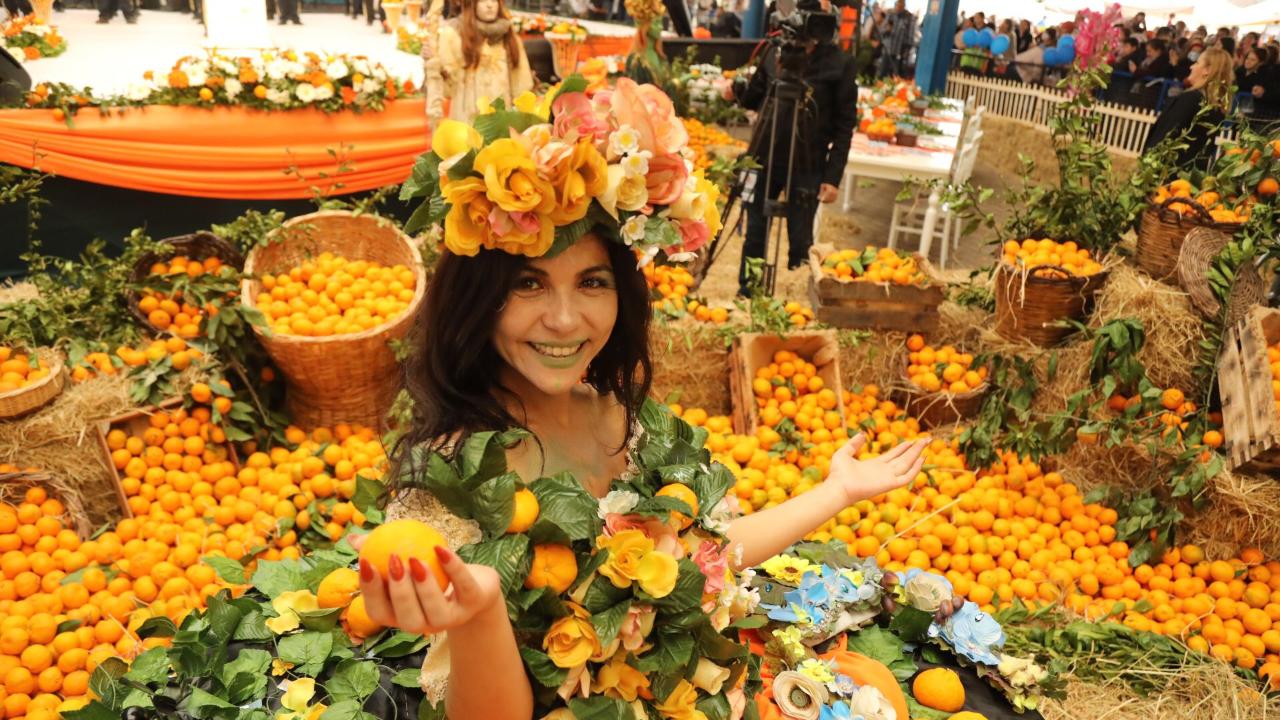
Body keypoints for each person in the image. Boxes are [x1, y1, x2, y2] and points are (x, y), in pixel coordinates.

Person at [352, 185, 928, 720]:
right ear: (477, 299)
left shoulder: (629, 422)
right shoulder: (455, 477)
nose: (563, 319)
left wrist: (838, 491)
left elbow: (712, 554)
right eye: (527, 283)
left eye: (591, 282)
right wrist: (480, 614)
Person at [734, 17, 858, 291]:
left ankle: (798, 297)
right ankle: (748, 293)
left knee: (801, 240)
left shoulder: (840, 64)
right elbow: (753, 97)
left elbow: (845, 125)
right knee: (755, 233)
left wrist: (833, 176)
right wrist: (736, 89)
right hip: (763, 158)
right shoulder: (774, 52)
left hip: (808, 163)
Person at [429, 0, 533, 125]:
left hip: (500, 120)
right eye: (483, 0)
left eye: (494, 0)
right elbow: (447, 87)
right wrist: (434, 64)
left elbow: (521, 83)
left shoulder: (508, 34)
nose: (489, 5)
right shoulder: (453, 34)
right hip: (466, 119)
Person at [1144, 46, 1233, 170]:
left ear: (1207, 70)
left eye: (1197, 63)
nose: (1191, 67)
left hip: (1166, 171)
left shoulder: (1191, 99)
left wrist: (1147, 165)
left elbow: (1166, 134)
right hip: (1189, 175)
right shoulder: (1218, 107)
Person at [878, 0, 915, 78]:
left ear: (904, 6)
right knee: (882, 73)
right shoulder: (890, 14)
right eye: (897, 5)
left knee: (896, 75)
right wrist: (887, 30)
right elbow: (881, 30)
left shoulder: (909, 17)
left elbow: (910, 36)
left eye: (900, 6)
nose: (898, 8)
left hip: (899, 51)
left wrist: (907, 50)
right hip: (888, 49)